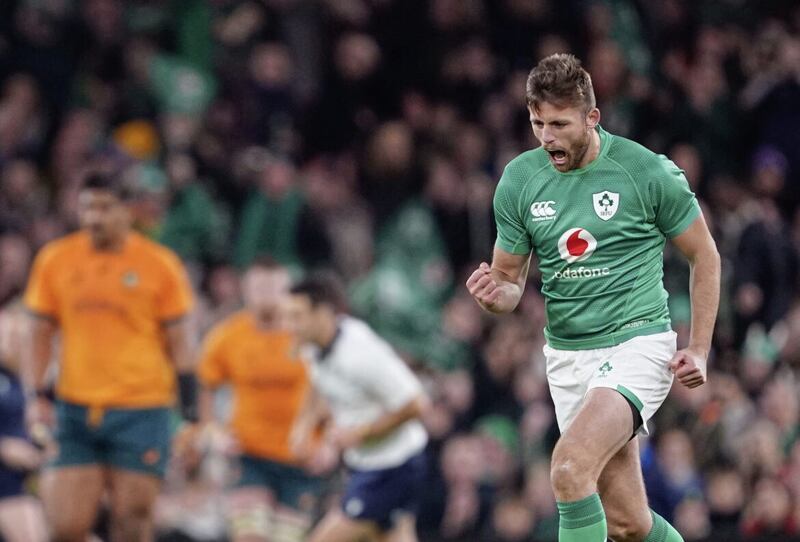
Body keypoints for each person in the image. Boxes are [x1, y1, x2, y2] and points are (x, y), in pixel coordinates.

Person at [466, 54, 720, 542]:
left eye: (559, 123)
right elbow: (510, 283)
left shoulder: (645, 172)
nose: (546, 136)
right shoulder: (520, 180)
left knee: (567, 468)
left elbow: (704, 256)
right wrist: (494, 295)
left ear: (592, 117)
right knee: (627, 525)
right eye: (537, 122)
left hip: (636, 345)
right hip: (567, 357)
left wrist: (701, 347)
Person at [23, 173, 196, 542]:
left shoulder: (159, 265)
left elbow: (181, 344)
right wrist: (35, 395)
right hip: (75, 408)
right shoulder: (56, 259)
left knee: (132, 525)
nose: (94, 218)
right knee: (65, 526)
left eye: (105, 207)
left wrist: (192, 415)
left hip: (142, 409)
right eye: (87, 207)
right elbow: (38, 334)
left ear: (129, 211)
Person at [285, 272, 429, 542]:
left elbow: (416, 404)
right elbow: (317, 383)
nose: (290, 325)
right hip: (367, 465)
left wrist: (360, 433)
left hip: (393, 467)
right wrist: (302, 427)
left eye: (297, 316)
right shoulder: (312, 346)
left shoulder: (361, 353)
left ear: (323, 313)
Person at [196, 258, 325, 541]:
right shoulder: (227, 337)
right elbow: (206, 386)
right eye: (259, 288)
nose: (265, 296)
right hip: (249, 455)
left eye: (273, 288)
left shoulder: (308, 335)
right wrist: (212, 431)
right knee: (250, 536)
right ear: (245, 290)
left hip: (300, 459)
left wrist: (329, 443)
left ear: (288, 291)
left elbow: (335, 390)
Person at [0, 299, 47, 542]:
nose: (14, 342)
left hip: (33, 483)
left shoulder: (32, 384)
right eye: (9, 335)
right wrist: (4, 447)